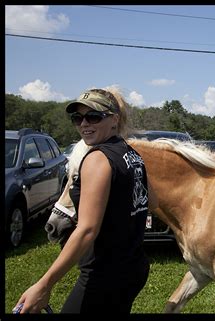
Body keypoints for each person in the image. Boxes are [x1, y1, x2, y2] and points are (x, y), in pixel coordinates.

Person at [13, 88, 150, 314]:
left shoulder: (98, 159)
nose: (84, 124)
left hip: (104, 274)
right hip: (132, 267)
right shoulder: (132, 155)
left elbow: (87, 230)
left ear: (114, 119)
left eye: (93, 116)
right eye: (77, 118)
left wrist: (44, 284)